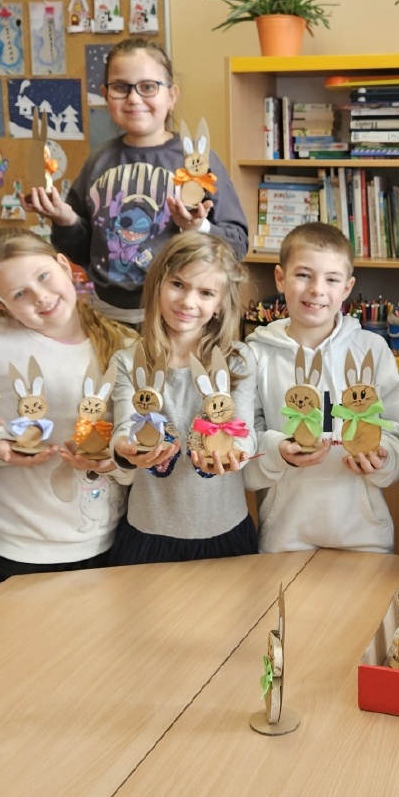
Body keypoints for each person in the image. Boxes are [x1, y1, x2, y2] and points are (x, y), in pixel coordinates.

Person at [24, 37, 248, 326]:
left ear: (171, 95)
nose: (133, 98)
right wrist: (64, 218)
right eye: (121, 87)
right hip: (109, 317)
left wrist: (198, 228)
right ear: (105, 95)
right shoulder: (98, 161)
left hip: (180, 320)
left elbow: (237, 244)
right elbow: (81, 251)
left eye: (148, 87)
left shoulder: (197, 160)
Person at [0, 228, 139, 596]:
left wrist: (115, 462)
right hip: (11, 544)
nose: (41, 297)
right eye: (19, 294)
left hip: (99, 539)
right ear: (1, 304)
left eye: (43, 276)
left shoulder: (125, 345)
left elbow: (137, 450)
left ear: (64, 265)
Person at [244, 223, 399, 553]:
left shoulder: (372, 349)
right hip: (283, 538)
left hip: (365, 537)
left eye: (332, 279)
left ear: (348, 287)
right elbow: (244, 450)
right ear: (280, 278)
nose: (317, 289)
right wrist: (278, 452)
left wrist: (383, 458)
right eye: (303, 275)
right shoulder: (255, 354)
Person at [108, 231, 258, 562]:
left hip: (224, 529)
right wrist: (124, 448)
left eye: (206, 293)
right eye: (178, 284)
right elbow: (123, 427)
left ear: (220, 304)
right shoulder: (128, 361)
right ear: (157, 285)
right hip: (148, 530)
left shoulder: (238, 360)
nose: (188, 302)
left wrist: (236, 453)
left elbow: (244, 432)